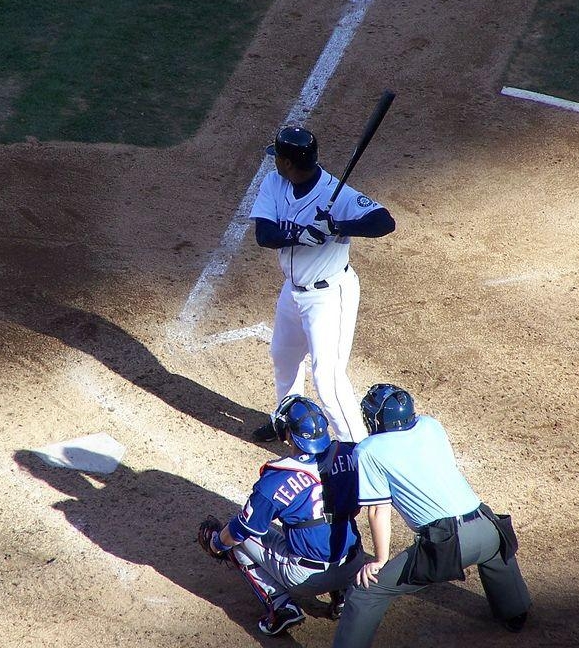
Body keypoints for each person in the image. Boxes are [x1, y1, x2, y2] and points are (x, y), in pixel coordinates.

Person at [331, 384, 532, 648]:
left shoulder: (368, 450)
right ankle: (515, 611)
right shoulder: (430, 425)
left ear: (378, 419)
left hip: (449, 544)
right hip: (490, 527)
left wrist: (379, 560)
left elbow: (378, 510)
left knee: (366, 592)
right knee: (495, 553)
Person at [249, 126, 395, 444]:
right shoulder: (275, 183)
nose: (274, 162)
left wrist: (337, 226)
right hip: (293, 291)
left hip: (330, 297)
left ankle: (358, 450)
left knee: (327, 380)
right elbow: (264, 235)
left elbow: (384, 221)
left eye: (278, 157)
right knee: (284, 356)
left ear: (288, 162)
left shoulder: (336, 194)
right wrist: (299, 234)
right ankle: (288, 420)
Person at [203, 395, 365, 637]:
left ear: (287, 433)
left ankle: (281, 607)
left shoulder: (276, 479)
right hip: (355, 563)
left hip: (307, 577)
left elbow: (241, 530)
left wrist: (216, 544)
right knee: (336, 520)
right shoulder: (352, 453)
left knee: (238, 538)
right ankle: (342, 595)